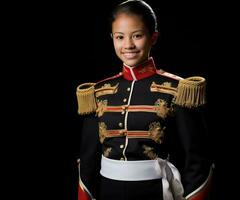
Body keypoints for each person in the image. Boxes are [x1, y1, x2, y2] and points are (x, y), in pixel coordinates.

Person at [76, 0, 214, 199]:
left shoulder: (179, 90)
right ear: (112, 39)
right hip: (107, 192)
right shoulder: (98, 92)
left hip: (154, 192)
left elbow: (196, 160)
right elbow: (88, 160)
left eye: (138, 36)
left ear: (153, 37)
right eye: (120, 37)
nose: (128, 45)